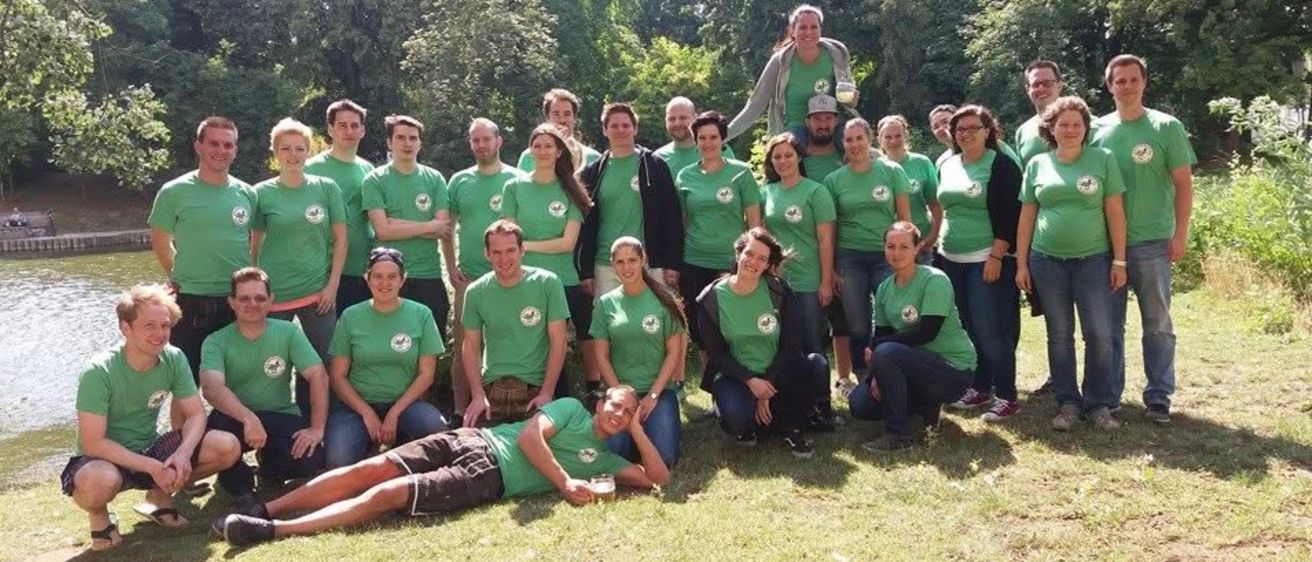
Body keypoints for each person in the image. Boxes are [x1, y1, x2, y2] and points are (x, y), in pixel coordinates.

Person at [213, 387, 669, 547]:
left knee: (388, 494)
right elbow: (530, 438)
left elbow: (656, 479)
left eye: (627, 412)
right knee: (371, 468)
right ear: (600, 403)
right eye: (615, 404)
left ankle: (272, 531)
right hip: (472, 439)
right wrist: (565, 482)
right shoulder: (569, 408)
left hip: (487, 478)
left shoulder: (607, 460)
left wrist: (639, 431)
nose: (618, 413)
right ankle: (266, 508)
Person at [60, 284, 240, 551]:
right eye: (149, 326)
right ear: (125, 328)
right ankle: (99, 514)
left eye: (165, 325)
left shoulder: (174, 358)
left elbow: (195, 414)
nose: (160, 334)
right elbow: (93, 443)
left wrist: (182, 454)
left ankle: (158, 494)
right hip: (102, 459)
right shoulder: (98, 371)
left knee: (227, 446)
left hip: (149, 447)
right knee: (100, 481)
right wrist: (153, 467)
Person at [1091, 54, 1197, 424]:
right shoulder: (1096, 130)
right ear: (1109, 86)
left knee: (1157, 324)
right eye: (1119, 81)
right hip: (1105, 245)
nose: (1127, 86)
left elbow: (1184, 185)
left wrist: (1179, 234)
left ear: (1144, 83)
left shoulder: (1166, 127)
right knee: (1109, 326)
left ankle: (1158, 396)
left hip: (1153, 241)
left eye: (1133, 79)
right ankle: (1110, 395)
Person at [1015, 96, 1129, 431]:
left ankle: (1099, 405)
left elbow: (1115, 212)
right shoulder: (1038, 164)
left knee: (1100, 333)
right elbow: (1026, 216)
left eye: (1076, 124)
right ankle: (1067, 404)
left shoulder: (1103, 159)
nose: (1070, 130)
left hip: (1093, 260)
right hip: (1046, 262)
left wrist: (1119, 260)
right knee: (1060, 334)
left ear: (1085, 128)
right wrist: (1021, 263)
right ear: (1050, 128)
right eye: (1063, 124)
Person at [200, 267, 328, 498]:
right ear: (232, 302)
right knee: (221, 441)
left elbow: (318, 376)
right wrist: (248, 418)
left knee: (312, 459)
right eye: (244, 298)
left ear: (270, 301)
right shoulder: (216, 341)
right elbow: (211, 388)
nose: (253, 304)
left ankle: (270, 468)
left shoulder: (289, 332)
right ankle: (239, 483)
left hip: (278, 413)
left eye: (260, 298)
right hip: (233, 417)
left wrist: (317, 429)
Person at [847, 223, 977, 451]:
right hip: (911, 362)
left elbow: (926, 333)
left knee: (886, 351)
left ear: (917, 249)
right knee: (860, 405)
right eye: (891, 246)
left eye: (904, 247)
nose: (897, 253)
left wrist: (877, 349)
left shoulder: (935, 280)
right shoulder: (884, 288)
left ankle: (898, 435)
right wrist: (877, 374)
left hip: (952, 368)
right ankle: (922, 409)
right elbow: (883, 334)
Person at [147, 117, 255, 388]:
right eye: (214, 143)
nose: (221, 150)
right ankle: (185, 420)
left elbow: (256, 242)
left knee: (236, 378)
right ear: (198, 146)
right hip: (191, 298)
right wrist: (177, 275)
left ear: (235, 150)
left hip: (236, 300)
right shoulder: (173, 192)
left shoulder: (247, 193)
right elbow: (160, 240)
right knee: (185, 382)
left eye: (228, 145)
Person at [697, 228, 823, 458]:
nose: (753, 262)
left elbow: (791, 345)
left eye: (762, 259)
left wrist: (766, 386)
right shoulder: (711, 298)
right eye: (749, 254)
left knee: (816, 365)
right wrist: (750, 380)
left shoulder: (779, 291)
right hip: (735, 376)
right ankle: (747, 421)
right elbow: (717, 354)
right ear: (738, 254)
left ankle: (791, 427)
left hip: (776, 371)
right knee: (737, 418)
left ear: (767, 264)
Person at [937, 105, 1024, 423]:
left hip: (987, 259)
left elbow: (1011, 215)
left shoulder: (1001, 164)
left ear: (988, 131)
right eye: (959, 129)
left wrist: (997, 255)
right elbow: (944, 209)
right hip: (952, 259)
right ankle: (980, 386)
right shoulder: (948, 164)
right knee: (970, 327)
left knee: (991, 330)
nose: (966, 134)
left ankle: (1007, 396)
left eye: (973, 128)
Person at [250, 118, 347, 403]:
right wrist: (258, 292)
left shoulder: (327, 188)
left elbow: (341, 240)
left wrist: (332, 286)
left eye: (300, 148)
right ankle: (276, 419)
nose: (293, 155)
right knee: (274, 366)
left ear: (309, 151)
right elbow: (255, 245)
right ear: (275, 152)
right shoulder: (261, 193)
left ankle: (325, 420)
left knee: (326, 363)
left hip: (318, 295)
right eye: (285, 148)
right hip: (275, 297)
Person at [324, 247, 448, 468]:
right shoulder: (351, 316)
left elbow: (426, 375)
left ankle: (401, 442)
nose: (385, 283)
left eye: (392, 277)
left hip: (406, 404)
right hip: (357, 406)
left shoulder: (421, 314)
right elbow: (338, 376)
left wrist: (394, 414)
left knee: (437, 431)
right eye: (378, 276)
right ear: (367, 278)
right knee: (337, 460)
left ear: (402, 279)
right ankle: (367, 443)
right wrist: (367, 413)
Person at [501, 124, 597, 398]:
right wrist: (519, 247)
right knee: (530, 343)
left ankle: (560, 402)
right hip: (523, 280)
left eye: (548, 146)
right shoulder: (513, 187)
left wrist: (525, 245)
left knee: (557, 344)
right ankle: (523, 400)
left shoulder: (571, 190)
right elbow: (509, 236)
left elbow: (567, 243)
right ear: (530, 150)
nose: (542, 151)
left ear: (559, 152)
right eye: (537, 145)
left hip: (561, 280)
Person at [760, 133, 847, 430]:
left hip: (809, 280)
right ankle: (790, 404)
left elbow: (825, 240)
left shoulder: (816, 192)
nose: (783, 161)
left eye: (788, 155)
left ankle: (822, 408)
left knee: (812, 344)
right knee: (781, 344)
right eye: (777, 156)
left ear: (799, 157)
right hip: (776, 283)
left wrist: (825, 280)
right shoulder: (766, 193)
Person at [446, 118, 528, 418]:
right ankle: (460, 411)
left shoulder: (518, 179)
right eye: (476, 140)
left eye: (487, 139)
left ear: (499, 141)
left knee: (509, 344)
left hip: (509, 278)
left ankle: (509, 407)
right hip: (469, 278)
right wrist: (451, 267)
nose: (481, 145)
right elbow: (447, 227)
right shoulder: (459, 181)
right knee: (465, 346)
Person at [825, 117, 911, 387]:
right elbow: (830, 227)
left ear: (870, 139)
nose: (854, 144)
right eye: (848, 140)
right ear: (843, 144)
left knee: (892, 317)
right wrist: (832, 268)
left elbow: (905, 220)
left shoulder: (892, 171)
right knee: (858, 324)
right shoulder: (834, 180)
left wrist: (906, 257)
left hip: (887, 256)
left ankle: (891, 372)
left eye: (859, 138)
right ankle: (863, 377)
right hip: (849, 257)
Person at [462, 220, 572, 428]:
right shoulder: (476, 291)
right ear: (487, 254)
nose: (504, 259)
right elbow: (471, 345)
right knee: (471, 443)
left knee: (536, 442)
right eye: (496, 252)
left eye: (510, 250)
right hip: (491, 389)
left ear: (522, 250)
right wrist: (477, 395)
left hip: (534, 389)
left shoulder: (548, 283)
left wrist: (547, 393)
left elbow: (559, 340)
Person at [676, 111, 762, 372]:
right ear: (695, 141)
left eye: (713, 137)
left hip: (731, 263)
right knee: (701, 325)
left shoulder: (741, 173)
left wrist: (758, 260)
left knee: (733, 323)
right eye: (702, 138)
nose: (708, 143)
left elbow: (755, 224)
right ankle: (710, 380)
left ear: (722, 139)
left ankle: (739, 376)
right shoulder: (685, 176)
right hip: (694, 260)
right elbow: (681, 222)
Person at [591, 237, 687, 466]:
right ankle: (636, 435)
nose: (627, 267)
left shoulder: (663, 300)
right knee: (613, 454)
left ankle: (647, 431)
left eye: (632, 260)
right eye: (620, 261)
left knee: (666, 458)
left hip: (658, 392)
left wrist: (653, 396)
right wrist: (618, 397)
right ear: (612, 265)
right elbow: (601, 356)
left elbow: (674, 353)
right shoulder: (605, 304)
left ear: (644, 260)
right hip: (620, 393)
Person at [578, 102, 684, 299]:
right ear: (604, 130)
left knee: (655, 317)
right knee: (609, 318)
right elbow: (586, 225)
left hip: (649, 262)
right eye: (614, 126)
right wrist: (585, 271)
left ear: (635, 129)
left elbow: (672, 216)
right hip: (606, 264)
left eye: (626, 125)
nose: (620, 130)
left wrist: (672, 263)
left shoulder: (654, 166)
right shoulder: (593, 173)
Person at [361, 115, 453, 333]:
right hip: (387, 277)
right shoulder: (375, 180)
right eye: (401, 138)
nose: (407, 143)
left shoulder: (435, 179)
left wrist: (396, 224)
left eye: (413, 138)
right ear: (389, 143)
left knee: (431, 344)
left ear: (420, 143)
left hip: (428, 274)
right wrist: (428, 225)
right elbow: (383, 232)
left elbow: (442, 229)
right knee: (387, 341)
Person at [726, 4, 857, 143]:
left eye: (814, 27)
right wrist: (723, 136)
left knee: (853, 140)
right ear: (793, 31)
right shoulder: (780, 62)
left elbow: (847, 99)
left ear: (820, 30)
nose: (808, 32)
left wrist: (851, 100)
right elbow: (755, 106)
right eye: (802, 28)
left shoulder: (837, 55)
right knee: (793, 148)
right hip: (795, 128)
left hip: (830, 126)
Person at [305, 99, 377, 314]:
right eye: (342, 125)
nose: (349, 131)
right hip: (325, 271)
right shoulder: (311, 169)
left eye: (355, 125)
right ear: (330, 129)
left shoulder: (368, 169)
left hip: (362, 268)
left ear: (363, 130)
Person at [876, 115, 942, 264]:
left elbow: (935, 204)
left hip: (919, 242)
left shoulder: (922, 163)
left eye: (898, 136)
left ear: (906, 135)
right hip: (886, 245)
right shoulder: (874, 168)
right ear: (880, 139)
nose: (893, 141)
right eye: (888, 137)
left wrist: (932, 237)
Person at [517, 88, 602, 172]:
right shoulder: (529, 157)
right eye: (556, 114)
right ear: (547, 118)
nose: (562, 120)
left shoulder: (593, 159)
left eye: (567, 114)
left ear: (575, 118)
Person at [654, 96, 738, 178]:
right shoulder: (657, 159)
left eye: (683, 118)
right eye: (672, 119)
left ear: (694, 118)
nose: (677, 123)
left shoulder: (718, 150)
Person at [1015, 61, 1065, 168]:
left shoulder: (1086, 124)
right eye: (1035, 84)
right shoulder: (1023, 132)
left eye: (1047, 83)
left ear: (1060, 85)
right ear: (1027, 89)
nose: (1041, 88)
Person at [801, 95, 847, 182]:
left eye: (828, 118)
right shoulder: (795, 161)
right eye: (817, 119)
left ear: (836, 121)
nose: (823, 125)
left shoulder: (848, 157)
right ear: (807, 122)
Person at [929, 104, 959, 169]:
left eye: (945, 122)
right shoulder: (942, 162)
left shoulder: (979, 152)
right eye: (936, 127)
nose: (941, 128)